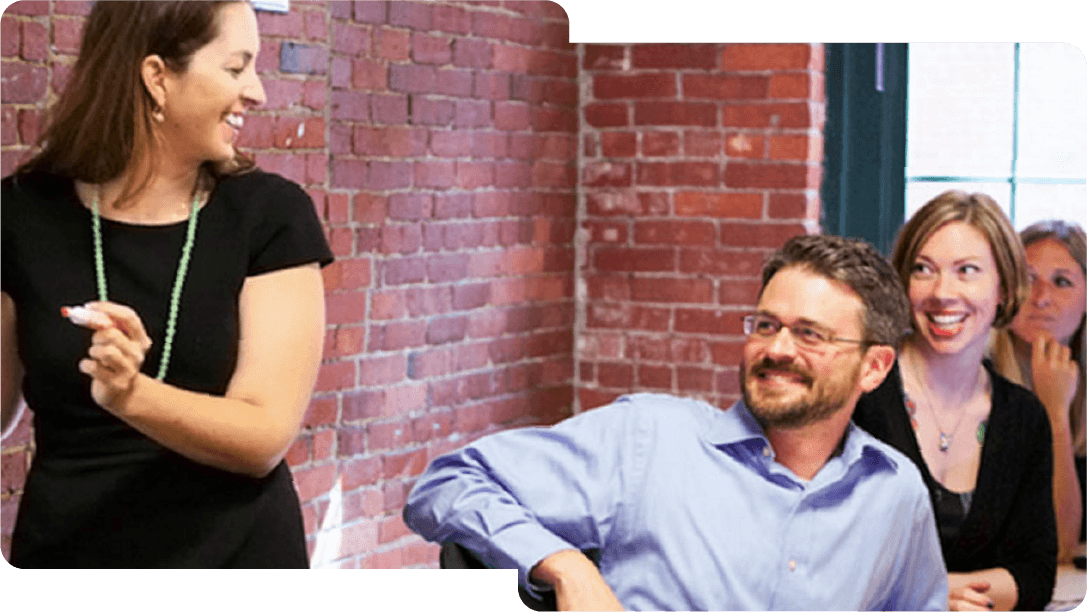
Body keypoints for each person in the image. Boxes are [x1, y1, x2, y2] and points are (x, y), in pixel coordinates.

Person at [403, 235, 949, 612]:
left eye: (810, 334)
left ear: (874, 367)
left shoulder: (894, 491)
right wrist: (567, 567)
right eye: (765, 325)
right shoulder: (651, 438)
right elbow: (448, 484)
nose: (777, 349)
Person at [0, 0, 332, 568]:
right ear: (157, 76)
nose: (256, 92)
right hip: (69, 562)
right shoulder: (21, 214)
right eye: (236, 67)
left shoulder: (270, 216)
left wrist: (132, 394)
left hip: (238, 565)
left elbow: (264, 435)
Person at [853, 191, 1058, 611]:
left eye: (967, 271)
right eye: (923, 270)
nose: (942, 292)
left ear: (1004, 287)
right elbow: (814, 549)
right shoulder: (860, 390)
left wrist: (941, 588)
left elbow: (1035, 575)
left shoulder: (1024, 418)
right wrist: (927, 592)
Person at [991, 220, 1087, 561]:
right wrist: (1054, 413)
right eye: (1029, 279)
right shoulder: (974, 377)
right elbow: (1057, 545)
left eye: (1062, 282)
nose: (1042, 298)